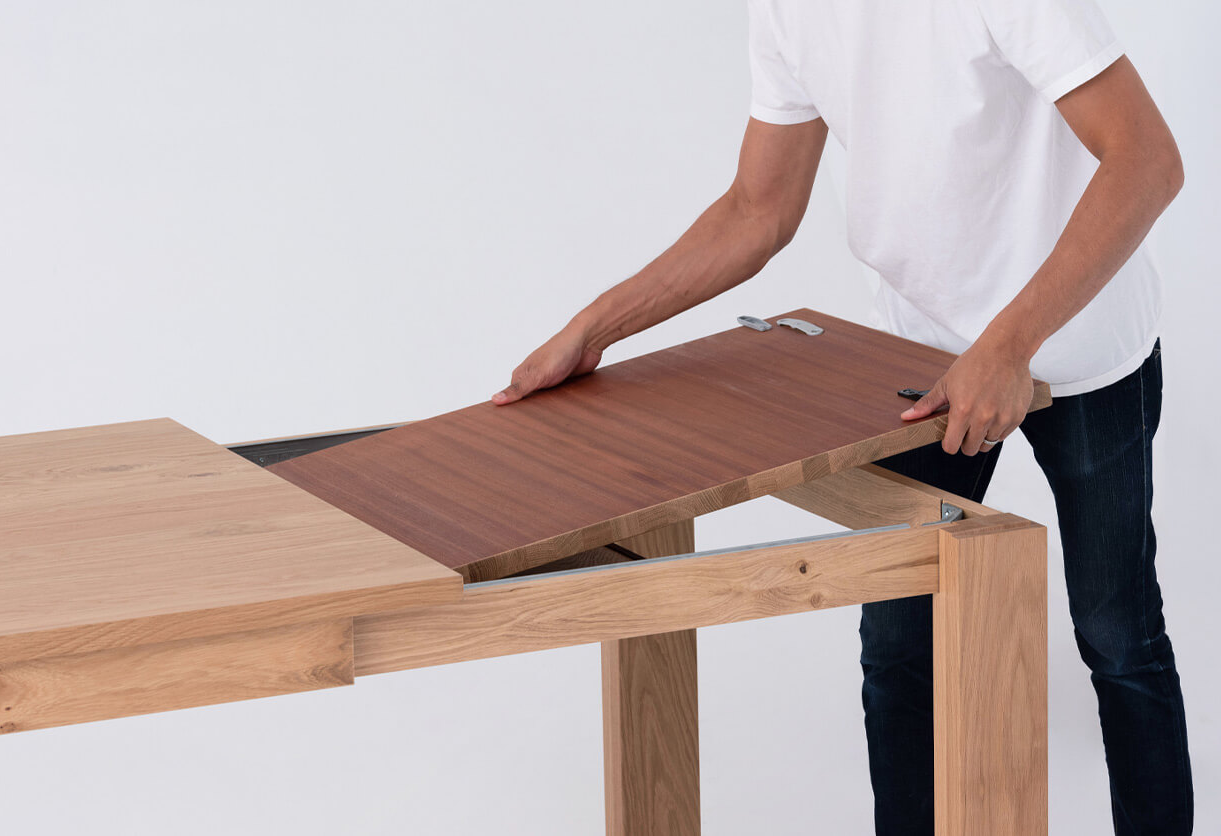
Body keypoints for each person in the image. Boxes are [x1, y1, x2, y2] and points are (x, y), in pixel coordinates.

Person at [489, 0, 1191, 833]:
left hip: (1083, 342)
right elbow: (759, 208)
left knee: (1117, 636)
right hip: (919, 364)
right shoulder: (787, 11)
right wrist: (592, 328)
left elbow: (1148, 161)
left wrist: (1009, 345)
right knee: (898, 651)